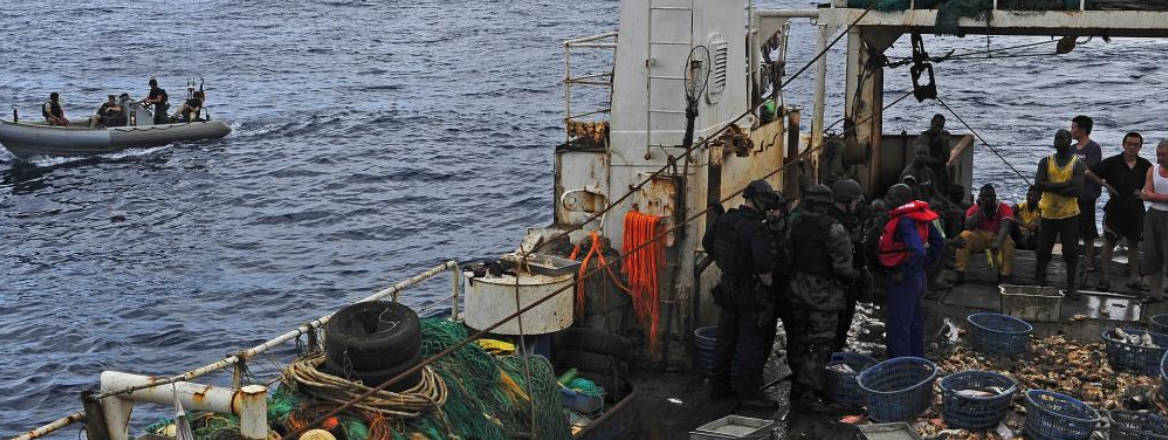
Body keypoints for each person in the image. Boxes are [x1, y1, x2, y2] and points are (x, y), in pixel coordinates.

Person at [701, 179, 782, 408]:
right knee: (751, 342)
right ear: (758, 201)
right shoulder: (756, 227)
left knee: (725, 340)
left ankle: (718, 387)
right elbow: (764, 267)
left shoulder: (725, 219)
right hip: (749, 291)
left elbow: (708, 244)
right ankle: (750, 395)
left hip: (727, 286)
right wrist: (769, 288)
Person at [786, 184, 856, 413]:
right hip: (823, 295)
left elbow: (786, 253)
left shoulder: (794, 222)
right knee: (820, 344)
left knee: (798, 338)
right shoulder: (833, 229)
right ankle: (810, 394)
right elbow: (843, 268)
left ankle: (798, 384)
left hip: (796, 289)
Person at [878, 183, 944, 358]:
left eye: (890, 198)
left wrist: (905, 271)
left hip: (904, 278)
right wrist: (923, 267)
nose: (887, 201)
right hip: (918, 277)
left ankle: (898, 369)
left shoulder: (904, 221)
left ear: (900, 201)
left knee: (898, 326)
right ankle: (915, 363)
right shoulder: (920, 218)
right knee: (915, 323)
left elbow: (918, 250)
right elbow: (938, 244)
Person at [1086, 132, 1152, 292]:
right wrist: (1105, 185)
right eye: (1129, 143)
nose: (1132, 147)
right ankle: (1104, 279)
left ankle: (1134, 279)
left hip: (1136, 210)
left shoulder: (1146, 165)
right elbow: (1088, 172)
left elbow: (1153, 183)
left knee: (1134, 244)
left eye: (1136, 144)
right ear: (1123, 145)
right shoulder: (1112, 162)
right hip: (1115, 209)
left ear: (1140, 147)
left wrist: (1144, 192)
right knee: (1109, 243)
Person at [1035, 129, 1087, 300]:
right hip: (1048, 213)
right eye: (1056, 137)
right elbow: (1038, 185)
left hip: (1069, 215)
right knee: (1043, 250)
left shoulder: (1077, 163)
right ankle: (1039, 283)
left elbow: (1077, 191)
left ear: (1069, 140)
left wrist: (1051, 186)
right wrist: (1064, 185)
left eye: (1062, 137)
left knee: (1071, 253)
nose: (1058, 140)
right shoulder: (1045, 161)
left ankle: (1071, 288)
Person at [826, 178, 871, 353]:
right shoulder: (836, 224)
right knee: (837, 328)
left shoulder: (845, 219)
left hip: (840, 283)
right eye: (855, 201)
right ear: (847, 201)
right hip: (838, 284)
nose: (857, 205)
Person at [954, 184, 1015, 285]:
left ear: (995, 197)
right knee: (964, 236)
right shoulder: (975, 208)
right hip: (979, 236)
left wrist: (998, 242)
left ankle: (1005, 276)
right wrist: (981, 209)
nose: (988, 200)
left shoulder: (1004, 207)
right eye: (984, 197)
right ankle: (960, 272)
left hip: (996, 236)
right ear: (980, 198)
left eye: (990, 197)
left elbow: (1005, 227)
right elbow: (968, 226)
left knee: (1008, 241)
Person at [1072, 115, 1103, 273]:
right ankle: (1074, 258)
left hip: (1087, 196)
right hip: (1071, 196)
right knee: (1072, 230)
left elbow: (1091, 169)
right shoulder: (1071, 149)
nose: (1072, 130)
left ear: (1082, 129)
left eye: (1074, 127)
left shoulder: (1093, 148)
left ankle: (1089, 260)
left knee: (1088, 231)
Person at [1141, 141, 1168, 302]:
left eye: (1163, 155)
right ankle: (1155, 293)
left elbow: (1150, 195)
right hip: (1154, 216)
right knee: (1153, 255)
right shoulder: (1153, 169)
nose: (1160, 158)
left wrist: (1154, 196)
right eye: (1158, 154)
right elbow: (1146, 193)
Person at [917, 114, 952, 197]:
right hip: (927, 171)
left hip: (940, 172)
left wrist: (945, 142)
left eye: (941, 126)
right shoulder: (925, 136)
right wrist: (940, 161)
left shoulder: (942, 136)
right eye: (937, 125)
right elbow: (923, 158)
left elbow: (947, 157)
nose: (939, 128)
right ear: (932, 122)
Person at [1012, 186, 1042, 251]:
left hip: (1032, 238)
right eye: (1030, 195)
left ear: (1039, 198)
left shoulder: (1041, 209)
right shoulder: (1018, 207)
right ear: (1026, 195)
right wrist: (1025, 225)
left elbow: (1045, 220)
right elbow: (1009, 216)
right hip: (1019, 236)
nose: (1031, 198)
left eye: (1034, 196)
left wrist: (1037, 225)